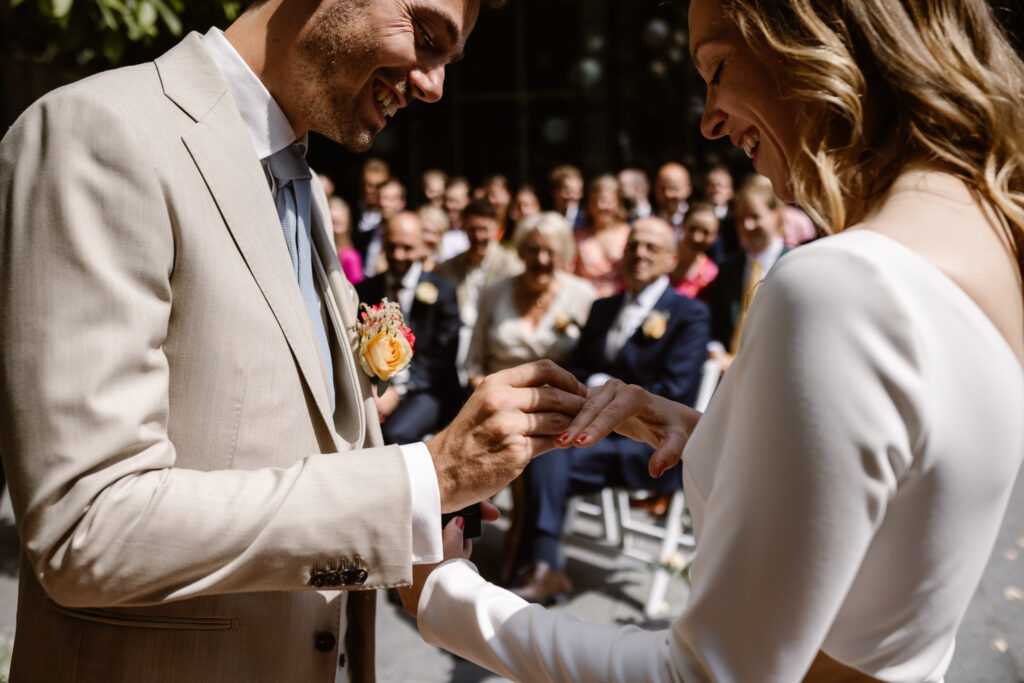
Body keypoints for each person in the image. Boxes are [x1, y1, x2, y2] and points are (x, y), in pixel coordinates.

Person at [405, 0, 1024, 680]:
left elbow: (704, 673)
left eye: (717, 68)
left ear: (811, 34)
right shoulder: (987, 239)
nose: (709, 119)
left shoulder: (841, 283)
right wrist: (706, 435)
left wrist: (447, 596)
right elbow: (881, 515)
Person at [0, 0, 591, 681]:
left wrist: (426, 511)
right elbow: (89, 526)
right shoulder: (99, 132)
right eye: (425, 35)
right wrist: (420, 478)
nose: (433, 85)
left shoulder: (298, 180)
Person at [509, 216, 710, 604]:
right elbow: (580, 371)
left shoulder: (690, 315)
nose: (640, 253)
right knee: (542, 443)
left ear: (672, 259)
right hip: (593, 435)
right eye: (634, 244)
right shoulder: (603, 308)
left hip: (646, 446)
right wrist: (593, 387)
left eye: (652, 247)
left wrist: (608, 395)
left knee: (553, 448)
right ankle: (540, 565)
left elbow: (675, 392)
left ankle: (537, 563)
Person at [356, 212, 461, 444]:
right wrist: (374, 390)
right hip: (376, 389)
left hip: (425, 390)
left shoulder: (443, 293)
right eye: (391, 246)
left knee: (394, 435)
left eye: (407, 248)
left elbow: (441, 359)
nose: (398, 255)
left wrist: (399, 392)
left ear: (423, 247)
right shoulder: (365, 291)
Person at [464, 212, 596, 388]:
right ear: (521, 250)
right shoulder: (493, 293)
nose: (541, 260)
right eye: (533, 250)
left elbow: (593, 364)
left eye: (550, 252)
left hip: (564, 402)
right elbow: (474, 364)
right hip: (501, 399)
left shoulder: (583, 294)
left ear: (563, 254)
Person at [435, 197, 524, 387]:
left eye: (484, 229)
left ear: (496, 229)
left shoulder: (512, 267)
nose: (478, 236)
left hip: (491, 347)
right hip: (454, 343)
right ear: (463, 229)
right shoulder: (448, 268)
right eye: (472, 229)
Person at [705, 179, 789, 373]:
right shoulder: (728, 268)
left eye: (755, 216)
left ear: (776, 215)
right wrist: (717, 353)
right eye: (740, 219)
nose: (747, 226)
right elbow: (715, 324)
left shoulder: (794, 264)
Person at [572, 174, 631, 297]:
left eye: (606, 201)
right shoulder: (577, 238)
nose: (600, 206)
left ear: (618, 203)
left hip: (621, 301)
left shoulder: (629, 235)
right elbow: (569, 275)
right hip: (586, 302)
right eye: (594, 201)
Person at [671, 200, 720, 299]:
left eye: (706, 232)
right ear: (683, 225)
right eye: (692, 229)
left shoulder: (711, 274)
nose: (697, 238)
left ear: (715, 236)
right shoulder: (661, 258)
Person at [330, 195, 364, 284]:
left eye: (338, 222)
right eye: (332, 221)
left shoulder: (350, 256)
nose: (334, 227)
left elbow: (357, 287)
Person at [654, 161, 693, 234]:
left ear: (688, 190)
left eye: (673, 189)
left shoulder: (694, 221)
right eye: (663, 189)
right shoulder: (649, 220)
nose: (668, 194)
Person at [549, 164, 585, 230]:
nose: (572, 196)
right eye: (567, 191)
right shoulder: (546, 221)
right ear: (555, 192)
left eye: (576, 191)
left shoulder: (587, 221)